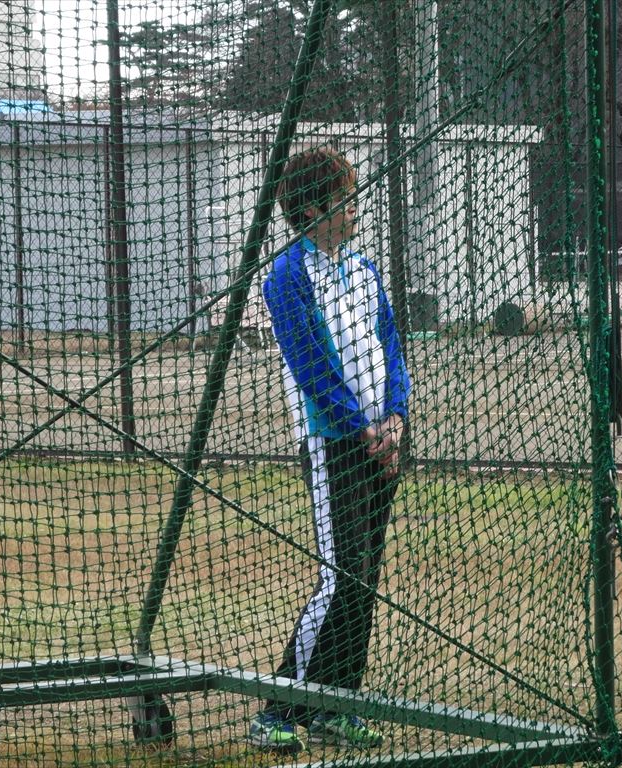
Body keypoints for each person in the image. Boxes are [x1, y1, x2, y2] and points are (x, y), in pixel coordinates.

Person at [247, 146, 410, 753]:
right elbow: (311, 366)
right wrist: (359, 428)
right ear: (314, 209)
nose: (354, 209)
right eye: (344, 199)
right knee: (339, 577)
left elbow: (390, 345)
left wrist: (395, 417)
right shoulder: (287, 276)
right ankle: (278, 709)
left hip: (383, 442)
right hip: (333, 443)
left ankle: (335, 706)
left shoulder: (364, 269)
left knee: (363, 580)